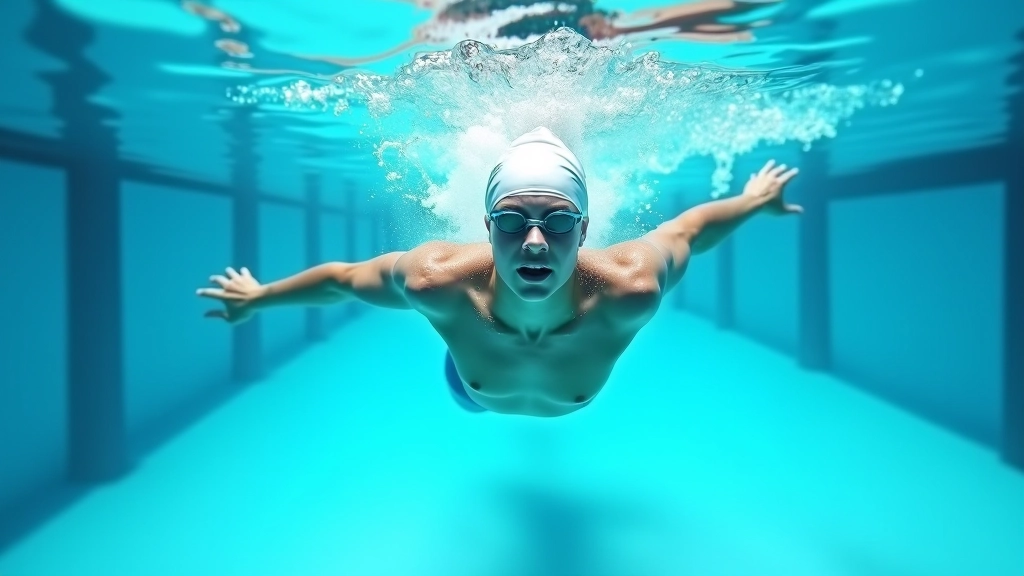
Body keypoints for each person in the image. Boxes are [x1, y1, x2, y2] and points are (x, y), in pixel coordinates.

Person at [196, 127, 801, 417]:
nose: (534, 242)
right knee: (468, 398)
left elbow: (688, 231)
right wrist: (260, 295)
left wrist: (753, 201)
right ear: (486, 227)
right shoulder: (438, 282)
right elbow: (342, 279)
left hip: (487, 368)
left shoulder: (629, 289)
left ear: (584, 230)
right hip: (471, 384)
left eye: (558, 221)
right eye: (512, 221)